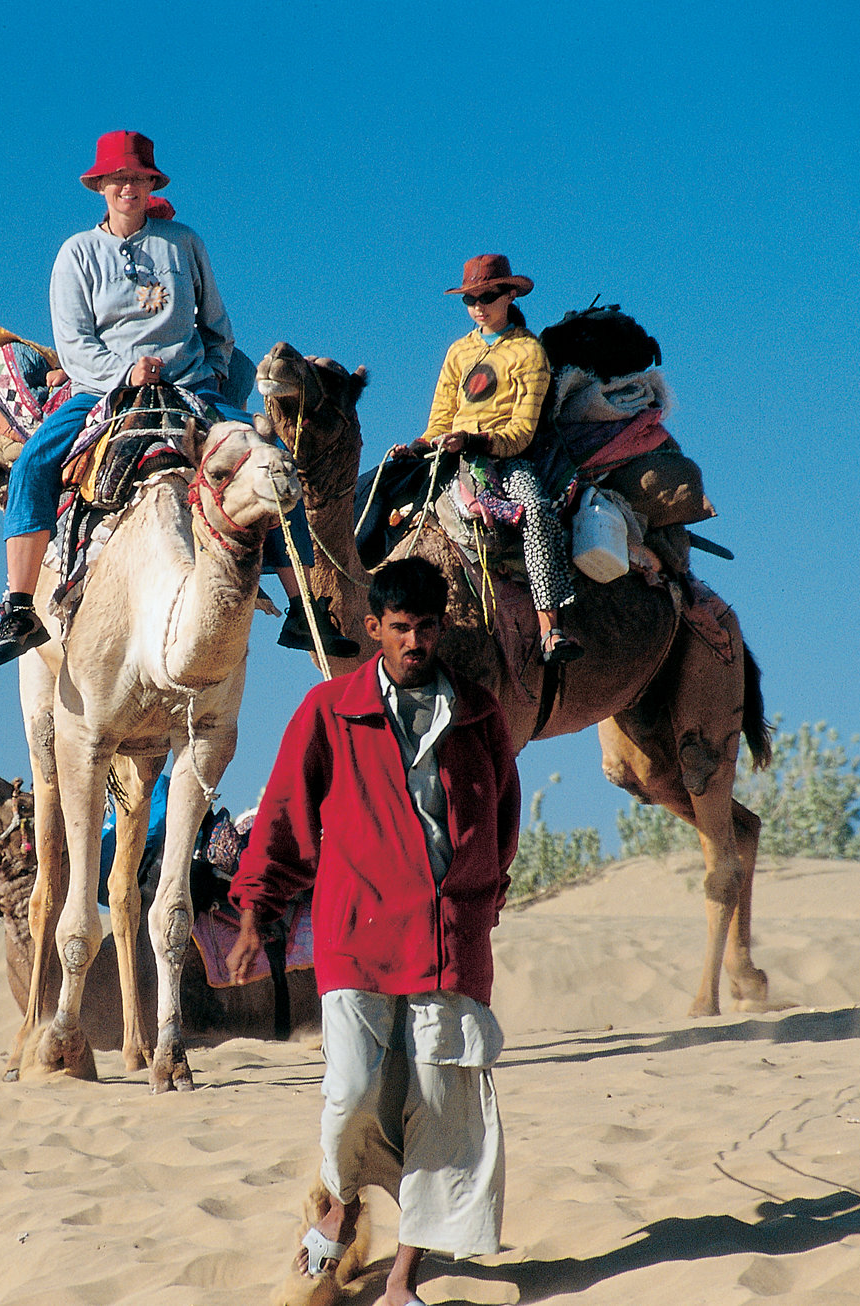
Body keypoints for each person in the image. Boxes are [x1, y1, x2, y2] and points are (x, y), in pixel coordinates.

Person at [226, 558, 520, 1306]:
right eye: (399, 628)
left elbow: (501, 824)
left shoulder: (480, 716)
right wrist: (257, 905)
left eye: (425, 627)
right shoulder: (330, 709)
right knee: (352, 1092)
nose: (413, 641)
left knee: (439, 1111)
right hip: (356, 934)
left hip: (449, 943)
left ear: (442, 626)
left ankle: (399, 1281)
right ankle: (337, 1208)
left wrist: (479, 902)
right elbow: (287, 811)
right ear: (372, 629)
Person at [0, 128, 354, 667]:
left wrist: (205, 375)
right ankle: (18, 606)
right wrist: (126, 374)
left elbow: (217, 326)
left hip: (189, 389)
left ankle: (305, 609)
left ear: (150, 181)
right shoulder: (77, 254)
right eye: (119, 178)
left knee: (272, 464)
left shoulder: (183, 243)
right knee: (33, 464)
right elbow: (73, 341)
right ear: (101, 186)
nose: (128, 187)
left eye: (137, 178)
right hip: (100, 390)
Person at [414, 254, 582, 664]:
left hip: (506, 460)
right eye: (469, 299)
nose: (477, 307)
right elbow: (438, 419)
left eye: (487, 296)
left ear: (509, 294)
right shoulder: (457, 352)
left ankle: (550, 629)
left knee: (537, 512)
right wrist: (421, 445)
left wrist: (472, 441)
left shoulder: (529, 352)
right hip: (448, 459)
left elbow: (522, 433)